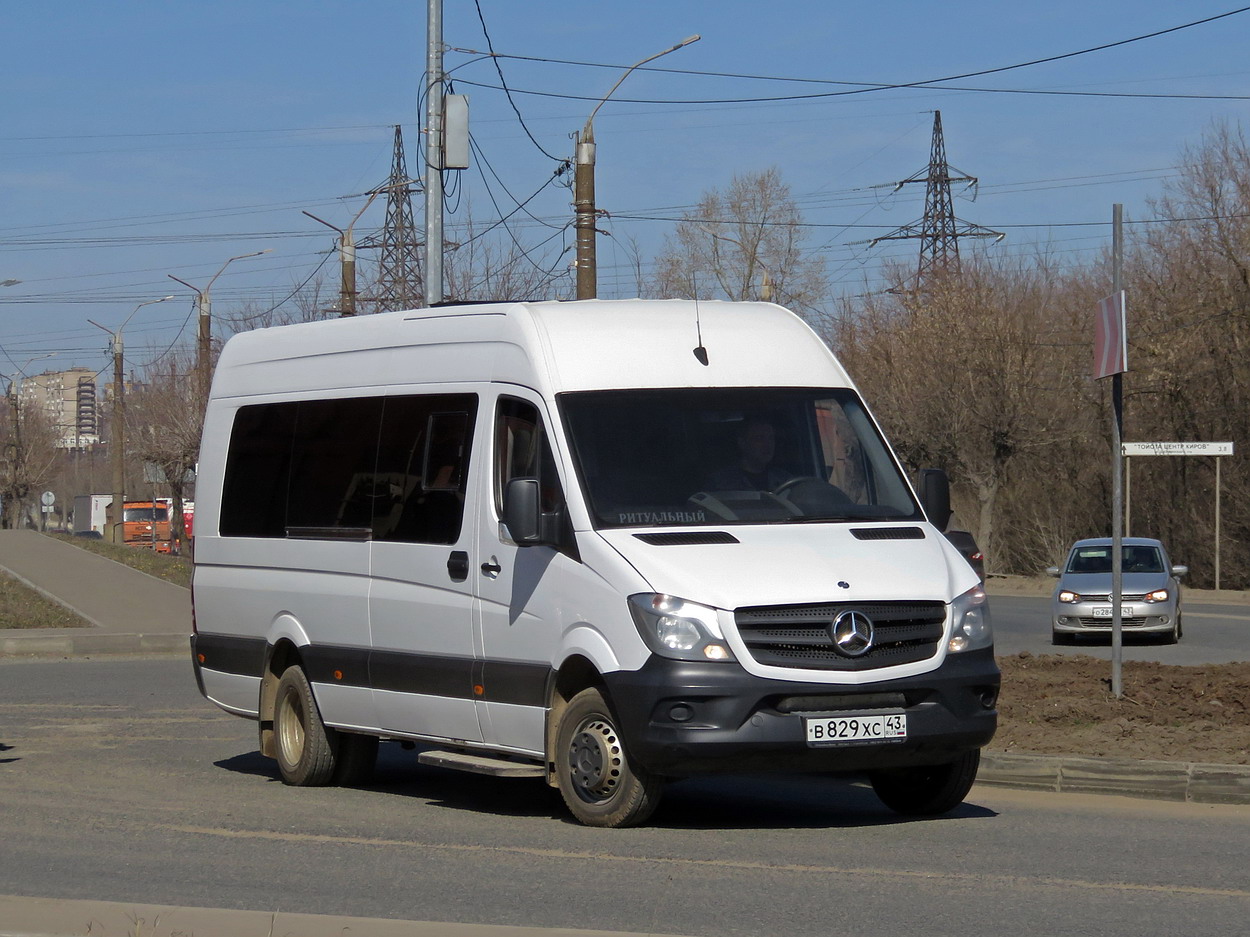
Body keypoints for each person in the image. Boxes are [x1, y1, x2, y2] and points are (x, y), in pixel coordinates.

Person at [709, 418, 793, 491]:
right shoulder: (721, 483)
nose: (768, 444)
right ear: (742, 443)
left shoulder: (785, 480)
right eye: (759, 438)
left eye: (771, 438)